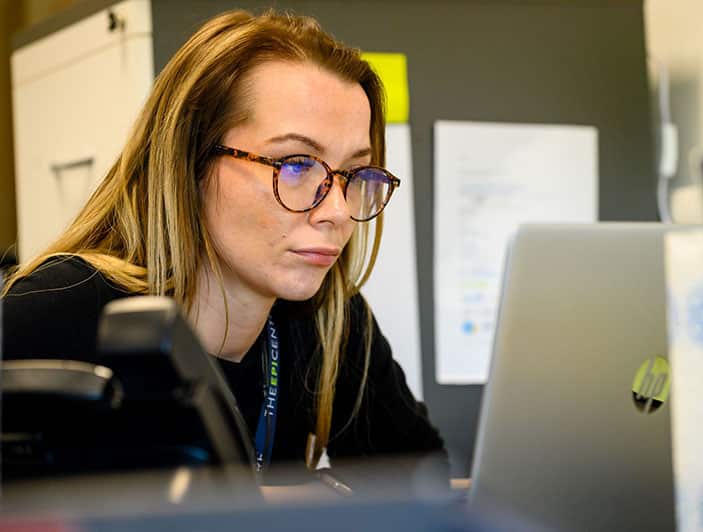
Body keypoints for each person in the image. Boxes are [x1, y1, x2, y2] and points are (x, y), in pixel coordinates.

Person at [1, 9, 446, 488]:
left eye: (355, 174)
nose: (337, 211)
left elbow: (424, 484)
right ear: (191, 160)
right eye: (296, 166)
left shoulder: (331, 321)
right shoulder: (48, 314)